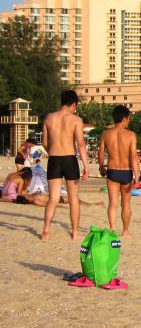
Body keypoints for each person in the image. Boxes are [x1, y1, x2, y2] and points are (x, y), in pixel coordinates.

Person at [40, 90, 89, 241]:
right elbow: (80, 144)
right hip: (69, 160)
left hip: (54, 159)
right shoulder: (76, 120)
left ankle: (46, 230)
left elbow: (44, 143)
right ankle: (74, 232)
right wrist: (86, 166)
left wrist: (53, 151)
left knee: (53, 198)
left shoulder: (49, 118)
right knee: (73, 198)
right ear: (74, 104)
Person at [98, 105, 138, 238]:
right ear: (124, 119)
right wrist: (136, 174)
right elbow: (133, 156)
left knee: (113, 203)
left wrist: (101, 167)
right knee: (126, 203)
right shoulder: (131, 135)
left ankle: (112, 229)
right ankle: (125, 231)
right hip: (126, 171)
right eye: (128, 119)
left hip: (112, 171)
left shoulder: (106, 134)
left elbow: (101, 154)